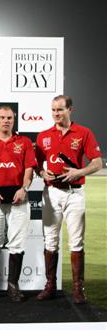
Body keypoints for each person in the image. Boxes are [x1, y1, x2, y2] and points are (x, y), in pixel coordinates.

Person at [35, 95, 102, 304]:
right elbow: (36, 165)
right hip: (52, 192)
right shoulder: (44, 136)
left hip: (75, 193)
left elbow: (97, 162)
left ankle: (78, 289)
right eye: (53, 110)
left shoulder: (83, 133)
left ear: (70, 110)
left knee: (76, 242)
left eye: (60, 110)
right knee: (50, 240)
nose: (56, 113)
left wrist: (78, 172)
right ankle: (50, 286)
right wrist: (42, 173)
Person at [0, 106, 36, 302]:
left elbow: (29, 169)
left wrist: (24, 189)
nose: (6, 121)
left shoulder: (24, 142)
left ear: (14, 120)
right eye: (2, 117)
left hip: (19, 200)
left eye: (9, 118)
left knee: (17, 245)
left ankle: (13, 286)